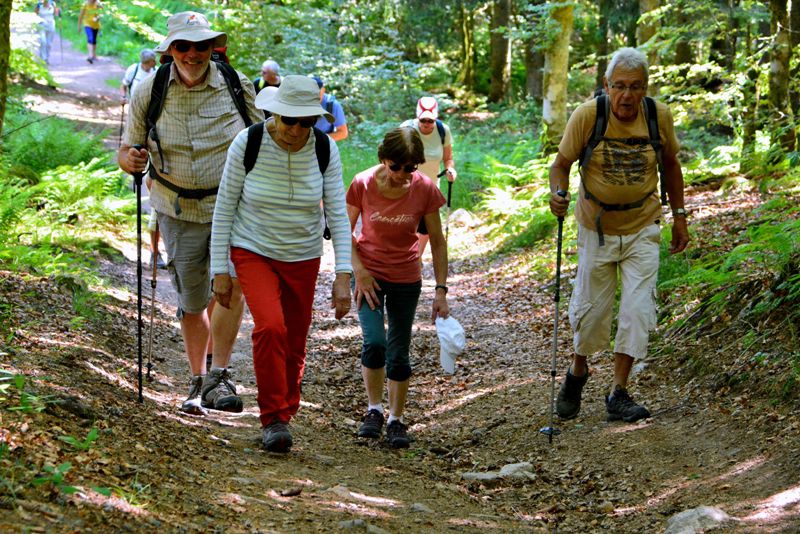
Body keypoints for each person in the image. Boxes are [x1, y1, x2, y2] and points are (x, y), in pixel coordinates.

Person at [118, 11, 263, 416]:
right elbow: (126, 150)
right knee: (192, 300)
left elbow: (261, 143)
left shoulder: (238, 85)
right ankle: (197, 379)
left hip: (232, 206)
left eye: (201, 45)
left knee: (231, 288)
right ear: (171, 50)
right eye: (184, 46)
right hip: (176, 207)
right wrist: (131, 159)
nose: (193, 54)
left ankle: (219, 376)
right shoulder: (150, 89)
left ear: (213, 47)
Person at [210, 75, 352, 453]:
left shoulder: (324, 149)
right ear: (274, 113)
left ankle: (285, 410)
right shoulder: (249, 142)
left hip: (303, 255)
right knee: (271, 327)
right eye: (289, 120)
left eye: (306, 122)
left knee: (294, 339)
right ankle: (272, 417)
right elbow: (224, 206)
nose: (296, 129)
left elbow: (338, 212)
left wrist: (343, 275)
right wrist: (219, 270)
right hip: (252, 248)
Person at [548, 47, 689, 423]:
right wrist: (557, 194)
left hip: (644, 224)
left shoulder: (658, 116)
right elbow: (560, 165)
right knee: (591, 311)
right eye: (620, 87)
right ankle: (578, 369)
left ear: (645, 88)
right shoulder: (588, 115)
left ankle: (619, 392)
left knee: (636, 310)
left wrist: (679, 216)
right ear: (607, 86)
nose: (627, 96)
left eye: (636, 87)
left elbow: (671, 164)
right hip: (596, 229)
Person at [347, 127, 451, 448]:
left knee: (398, 350)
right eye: (396, 167)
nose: (404, 175)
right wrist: (359, 271)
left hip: (406, 276)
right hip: (369, 276)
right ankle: (374, 410)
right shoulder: (362, 184)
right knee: (375, 342)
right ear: (383, 159)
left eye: (411, 168)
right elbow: (342, 231)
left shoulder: (425, 189)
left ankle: (396, 418)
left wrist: (441, 290)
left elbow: (437, 240)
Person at [120, 50, 164, 269]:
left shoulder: (158, 75)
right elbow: (124, 84)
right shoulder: (134, 70)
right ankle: (155, 253)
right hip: (137, 113)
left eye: (152, 61)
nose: (151, 63)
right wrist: (123, 98)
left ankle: (159, 254)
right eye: (148, 61)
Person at [400, 96, 457, 260]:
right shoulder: (407, 129)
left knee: (426, 228)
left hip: (430, 187)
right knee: (406, 224)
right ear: (417, 117)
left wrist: (450, 169)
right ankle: (403, 258)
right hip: (405, 186)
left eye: (430, 121)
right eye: (423, 120)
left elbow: (448, 158)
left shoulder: (442, 130)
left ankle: (414, 259)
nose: (427, 124)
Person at [310, 76, 348, 142]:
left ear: (323, 90)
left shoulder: (332, 105)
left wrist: (318, 140)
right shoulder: (297, 103)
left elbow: (343, 133)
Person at [35, 0, 60, 65]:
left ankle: (46, 57)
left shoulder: (52, 4)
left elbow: (56, 14)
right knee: (43, 41)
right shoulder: (39, 4)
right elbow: (35, 13)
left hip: (50, 25)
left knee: (49, 43)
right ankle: (43, 58)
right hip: (41, 24)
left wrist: (58, 12)